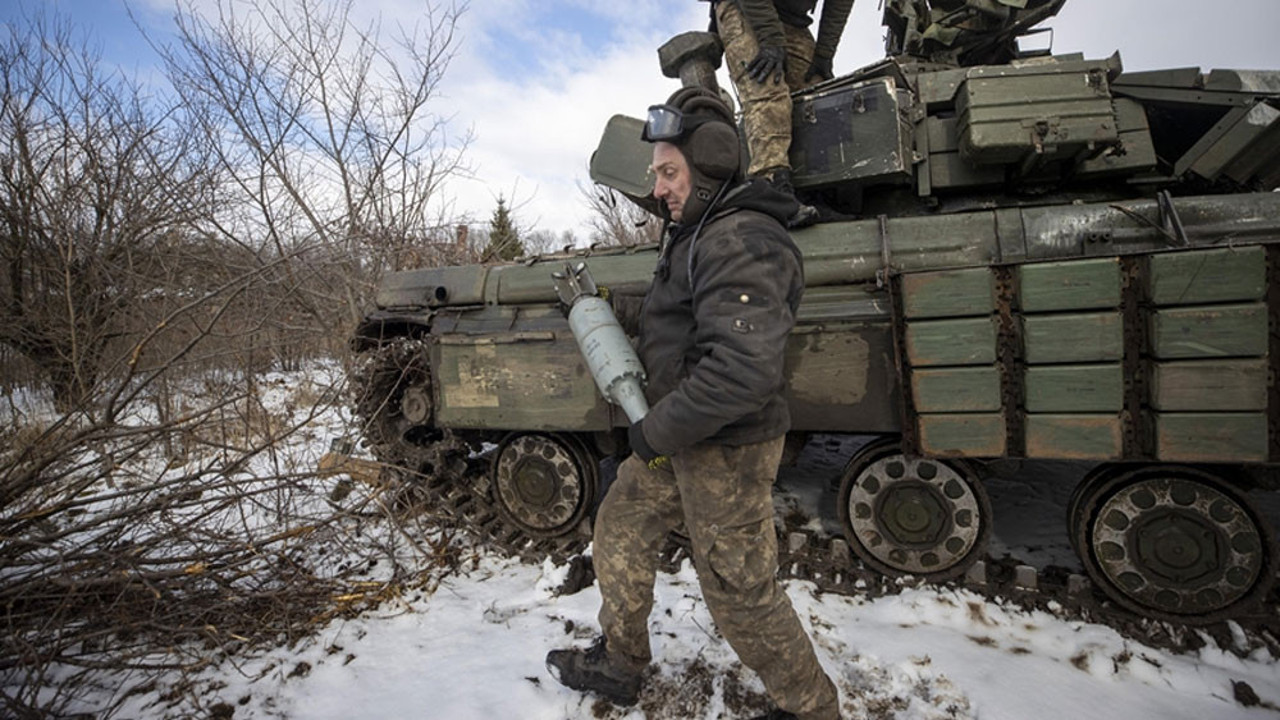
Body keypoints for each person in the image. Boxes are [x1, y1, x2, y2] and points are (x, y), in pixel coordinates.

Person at [545, 87, 843, 720]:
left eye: (668, 172)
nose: (657, 189)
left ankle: (812, 709)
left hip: (725, 449)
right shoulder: (700, 231)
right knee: (622, 525)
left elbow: (739, 372)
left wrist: (653, 433)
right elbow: (681, 318)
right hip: (683, 436)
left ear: (709, 166)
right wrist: (607, 309)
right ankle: (622, 663)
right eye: (657, 174)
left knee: (739, 590)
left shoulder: (743, 239)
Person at [713, 0, 855, 225]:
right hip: (745, 9)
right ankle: (771, 188)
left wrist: (824, 55)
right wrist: (771, 40)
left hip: (792, 20)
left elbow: (839, 4)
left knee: (818, 97)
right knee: (768, 87)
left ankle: (815, 194)